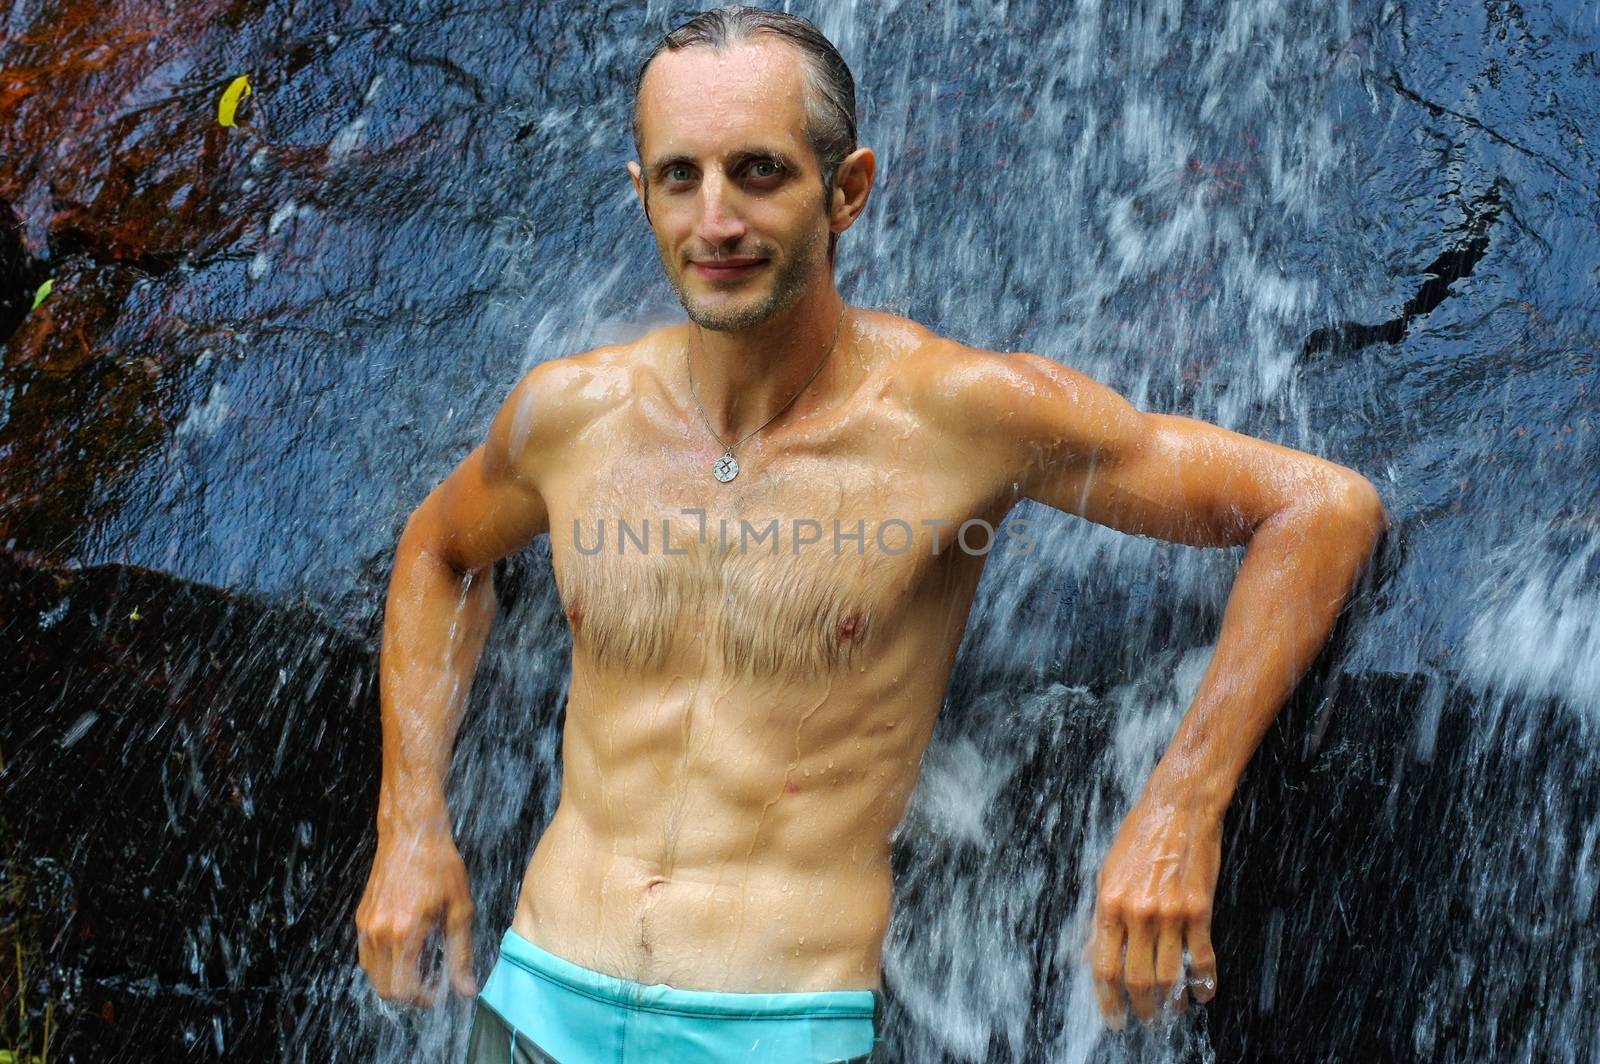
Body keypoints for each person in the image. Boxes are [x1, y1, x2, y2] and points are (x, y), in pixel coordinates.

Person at [354, 6, 1388, 1061]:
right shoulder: (570, 414)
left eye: (757, 171)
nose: (714, 220)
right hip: (535, 1002)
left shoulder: (959, 416)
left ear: (846, 189)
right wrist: (409, 827)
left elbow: (1319, 508)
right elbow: (437, 553)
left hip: (778, 1031)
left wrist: (1182, 806)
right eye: (680, 177)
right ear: (642, 194)